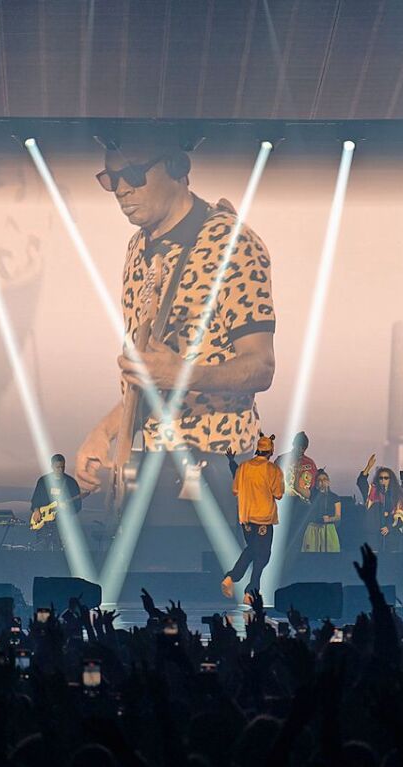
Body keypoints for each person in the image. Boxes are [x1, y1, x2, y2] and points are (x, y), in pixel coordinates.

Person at [74, 131, 276, 520]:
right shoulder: (138, 248)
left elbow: (262, 367)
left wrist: (183, 374)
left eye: (132, 174)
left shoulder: (232, 244)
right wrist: (105, 432)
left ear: (178, 168)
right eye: (110, 179)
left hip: (215, 467)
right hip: (151, 465)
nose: (120, 190)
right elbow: (153, 377)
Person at [221, 434, 284, 603]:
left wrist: (232, 463)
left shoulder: (243, 467)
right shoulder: (273, 470)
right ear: (270, 451)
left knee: (254, 550)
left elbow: (235, 489)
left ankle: (239, 583)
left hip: (246, 518)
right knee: (262, 555)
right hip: (263, 518)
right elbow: (278, 494)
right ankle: (247, 589)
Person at [30, 454, 85, 550]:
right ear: (52, 466)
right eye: (57, 467)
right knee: (41, 548)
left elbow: (78, 506)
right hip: (44, 524)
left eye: (62, 467)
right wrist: (36, 510)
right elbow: (35, 499)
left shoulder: (70, 483)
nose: (60, 470)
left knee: (59, 548)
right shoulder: (43, 481)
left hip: (62, 524)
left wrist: (67, 509)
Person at [357, 454, 403, 551]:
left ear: (390, 479)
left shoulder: (397, 495)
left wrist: (389, 527)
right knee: (373, 561)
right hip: (373, 534)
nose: (383, 480)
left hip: (391, 534)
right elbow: (361, 482)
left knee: (391, 560)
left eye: (386, 478)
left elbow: (401, 515)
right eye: (381, 478)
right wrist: (368, 467)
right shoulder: (372, 491)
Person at [301, 469, 342, 552]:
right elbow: (298, 488)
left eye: (324, 479)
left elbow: (338, 516)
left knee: (330, 554)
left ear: (328, 481)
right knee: (311, 555)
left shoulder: (334, 497)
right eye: (319, 480)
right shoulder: (311, 494)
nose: (322, 482)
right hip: (313, 528)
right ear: (316, 483)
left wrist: (329, 519)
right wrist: (298, 472)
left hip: (328, 529)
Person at [277, 431, 317, 501]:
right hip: (283, 501)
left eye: (303, 447)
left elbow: (313, 488)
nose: (300, 449)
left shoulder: (310, 463)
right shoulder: (282, 459)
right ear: (293, 444)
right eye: (298, 446)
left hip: (303, 503)